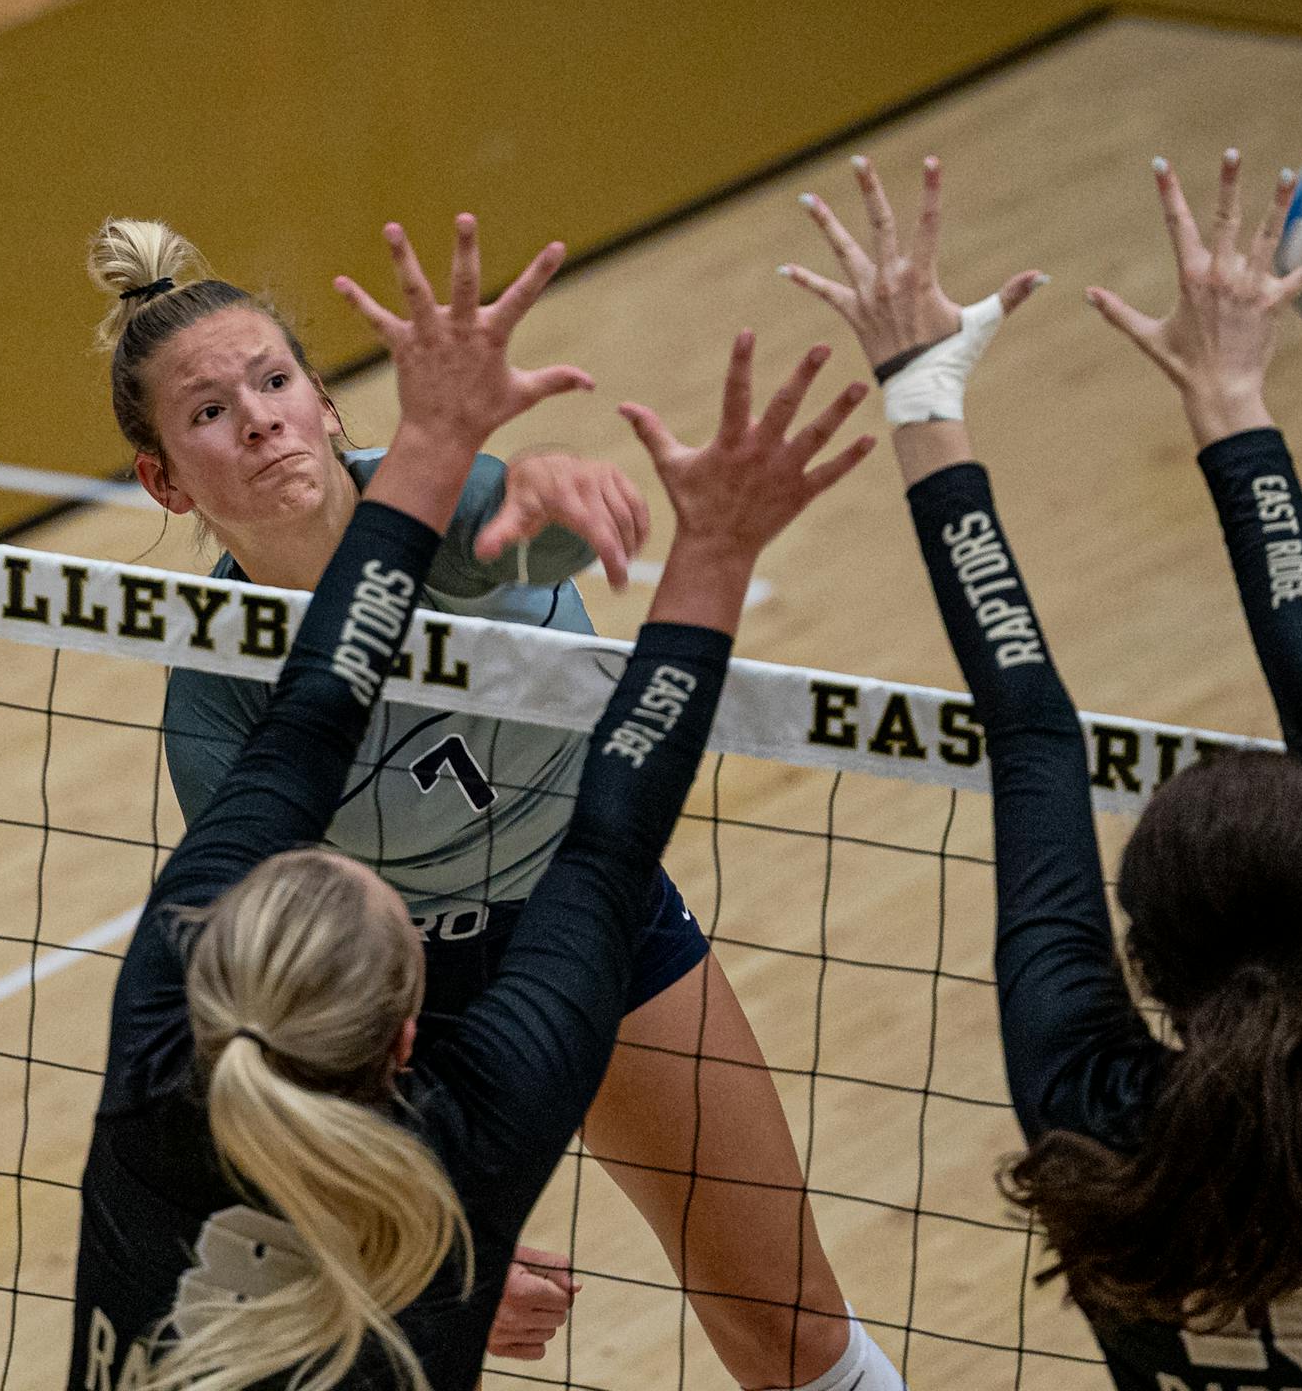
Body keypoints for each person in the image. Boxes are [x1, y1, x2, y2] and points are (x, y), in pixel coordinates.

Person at [87, 216, 902, 1388]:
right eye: (211, 412)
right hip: (388, 1003)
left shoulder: (449, 516)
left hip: (589, 925)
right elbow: (264, 993)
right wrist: (400, 1231)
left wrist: (563, 489)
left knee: (787, 1323)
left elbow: (517, 527)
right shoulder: (216, 702)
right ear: (163, 477)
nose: (259, 417)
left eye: (275, 381)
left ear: (325, 401)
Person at [781, 152, 1302, 1389]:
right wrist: (1231, 397)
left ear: (1139, 952)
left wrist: (921, 395)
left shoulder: (1093, 1110)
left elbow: (1026, 735)